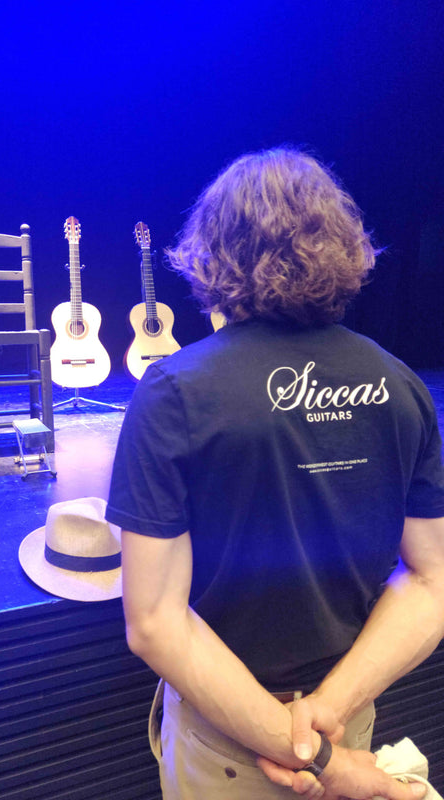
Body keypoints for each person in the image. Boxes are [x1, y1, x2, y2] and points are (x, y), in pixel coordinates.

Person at [105, 148, 444, 800]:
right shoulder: (403, 386)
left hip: (236, 746)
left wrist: (310, 749)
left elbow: (153, 620)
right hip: (347, 725)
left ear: (211, 250)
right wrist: (329, 731)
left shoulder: (174, 391)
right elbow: (432, 582)